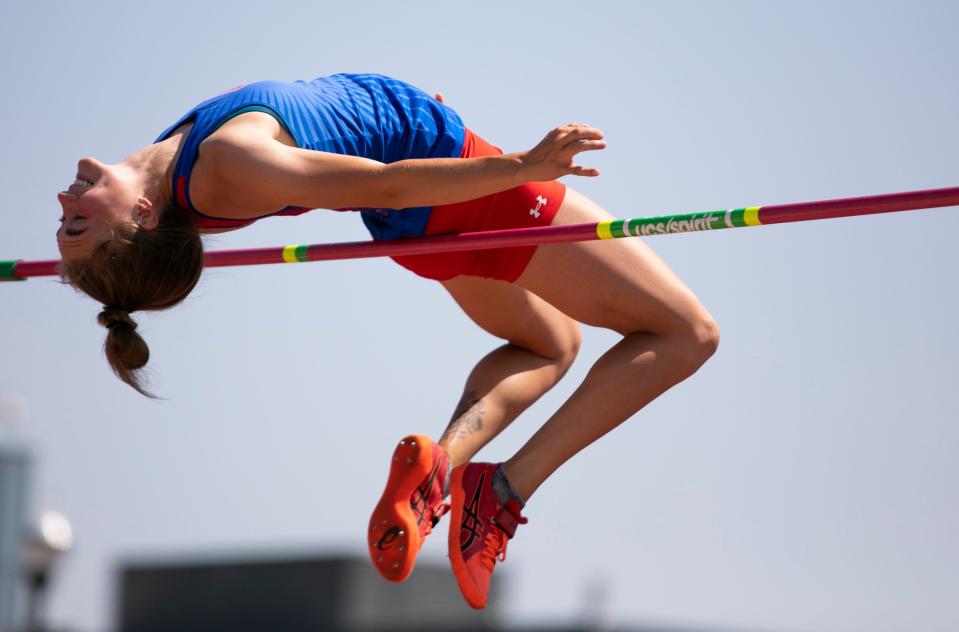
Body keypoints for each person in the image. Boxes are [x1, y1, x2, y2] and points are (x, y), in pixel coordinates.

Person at [56, 73, 719, 608]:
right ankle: (506, 490)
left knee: (548, 346)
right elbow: (387, 180)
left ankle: (441, 469)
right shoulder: (228, 162)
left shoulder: (176, 171)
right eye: (78, 224)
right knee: (686, 333)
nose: (67, 200)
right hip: (460, 188)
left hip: (416, 227)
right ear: (140, 217)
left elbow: (366, 172)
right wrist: (525, 165)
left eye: (65, 220)